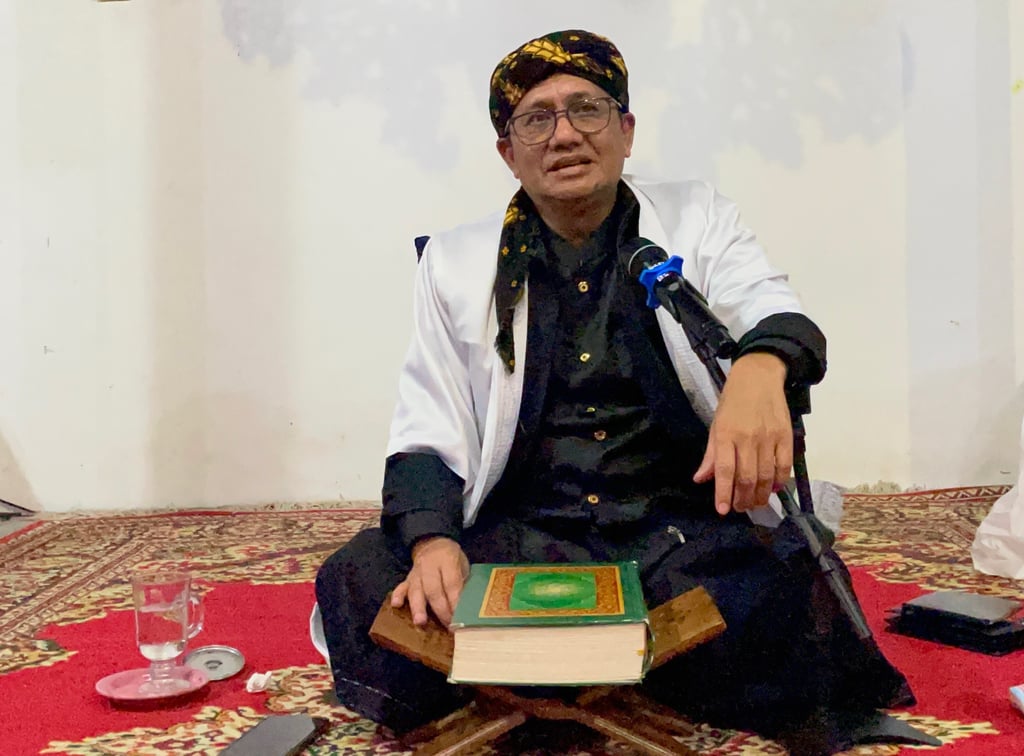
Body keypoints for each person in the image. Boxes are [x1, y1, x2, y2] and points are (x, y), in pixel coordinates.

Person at [316, 29, 913, 754]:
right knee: (360, 578)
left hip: (672, 535)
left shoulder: (696, 220)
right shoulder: (455, 264)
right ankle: (633, 671)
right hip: (522, 538)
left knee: (793, 583)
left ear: (626, 131)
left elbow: (774, 311)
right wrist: (434, 542)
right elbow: (428, 420)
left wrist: (760, 370)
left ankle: (528, 676)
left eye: (586, 109)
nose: (564, 135)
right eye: (536, 119)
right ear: (507, 152)